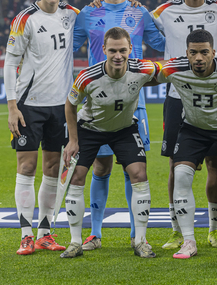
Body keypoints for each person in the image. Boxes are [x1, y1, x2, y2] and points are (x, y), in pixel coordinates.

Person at [73, 0, 165, 251]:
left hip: (132, 101)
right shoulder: (88, 13)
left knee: (133, 168)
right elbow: (68, 46)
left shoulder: (140, 13)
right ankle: (95, 234)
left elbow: (164, 44)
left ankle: (137, 236)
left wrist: (159, 17)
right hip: (97, 102)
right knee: (100, 168)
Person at [151, 0, 217, 249]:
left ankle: (215, 230)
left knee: (215, 164)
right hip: (178, 96)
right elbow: (135, 21)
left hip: (215, 97)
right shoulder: (163, 11)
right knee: (177, 165)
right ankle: (177, 229)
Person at [61, 27, 159, 259]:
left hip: (124, 129)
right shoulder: (87, 76)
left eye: (123, 50)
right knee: (77, 177)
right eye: (113, 50)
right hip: (91, 129)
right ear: (103, 50)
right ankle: (75, 242)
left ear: (130, 49)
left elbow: (167, 72)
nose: (118, 55)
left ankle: (141, 241)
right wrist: (73, 140)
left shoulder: (142, 69)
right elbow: (69, 104)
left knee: (138, 173)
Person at [157, 29, 217, 259]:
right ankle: (188, 241)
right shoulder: (174, 68)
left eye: (204, 52)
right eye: (193, 53)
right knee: (180, 175)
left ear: (213, 52)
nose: (198, 58)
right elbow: (147, 75)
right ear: (187, 53)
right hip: (193, 127)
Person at [4, 0, 79, 255]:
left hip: (61, 107)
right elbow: (10, 63)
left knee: (52, 168)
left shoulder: (72, 14)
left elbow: (99, 16)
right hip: (28, 106)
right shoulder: (25, 19)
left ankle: (45, 232)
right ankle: (25, 234)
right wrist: (12, 106)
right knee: (26, 166)